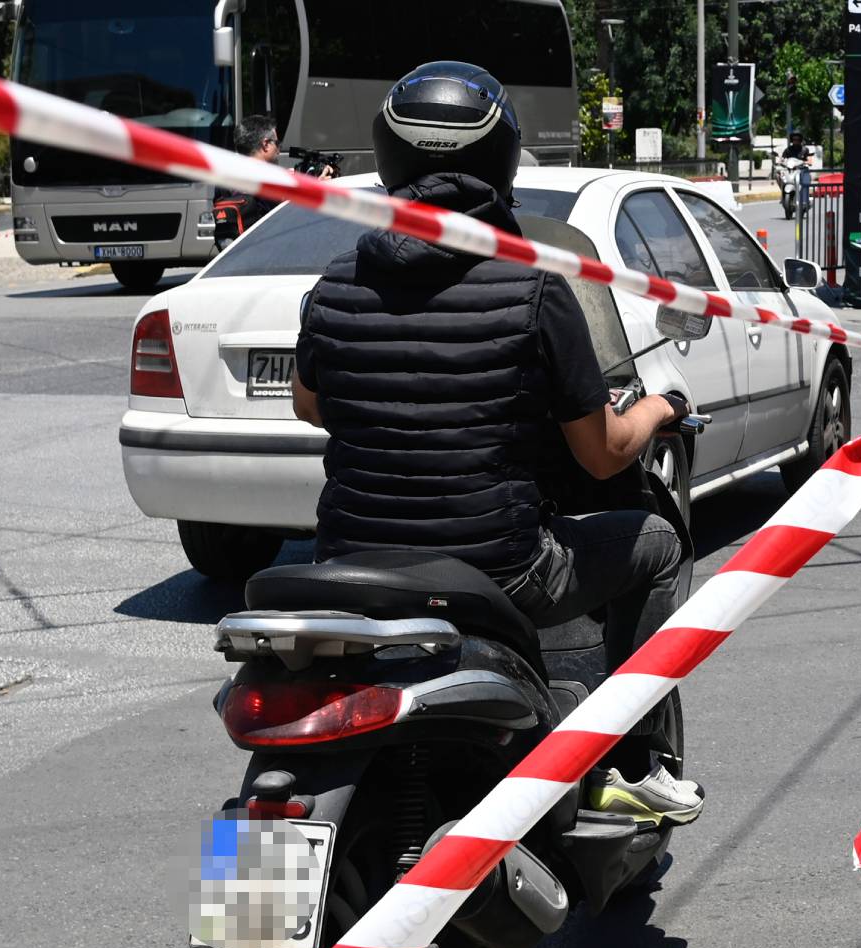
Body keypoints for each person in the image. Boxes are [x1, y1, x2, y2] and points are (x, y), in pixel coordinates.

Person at [290, 62, 704, 824]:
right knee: (656, 542)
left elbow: (310, 405)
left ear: (389, 156)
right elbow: (604, 454)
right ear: (501, 160)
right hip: (499, 570)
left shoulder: (337, 280)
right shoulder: (535, 286)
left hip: (344, 564)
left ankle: (247, 899)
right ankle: (633, 758)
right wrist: (657, 409)